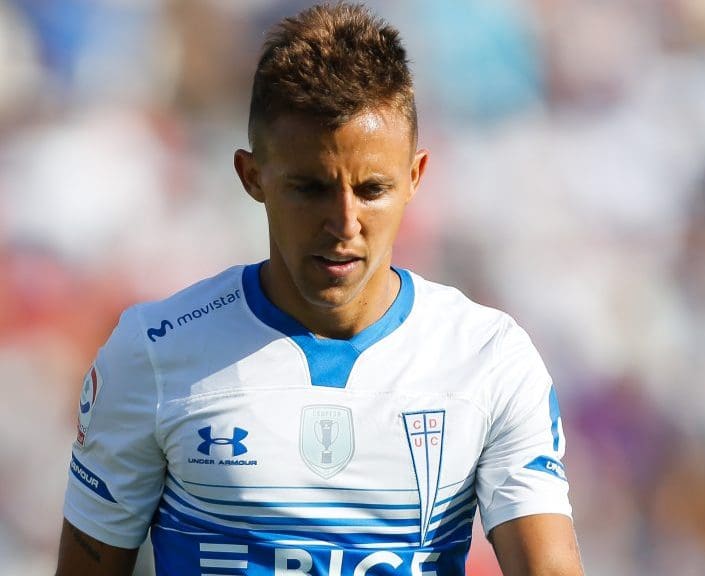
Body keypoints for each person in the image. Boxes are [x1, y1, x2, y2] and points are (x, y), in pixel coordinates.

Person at [56, 3, 583, 575]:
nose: (344, 223)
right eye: (310, 188)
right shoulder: (154, 352)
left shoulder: (488, 360)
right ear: (251, 176)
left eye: (373, 189)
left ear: (416, 177)